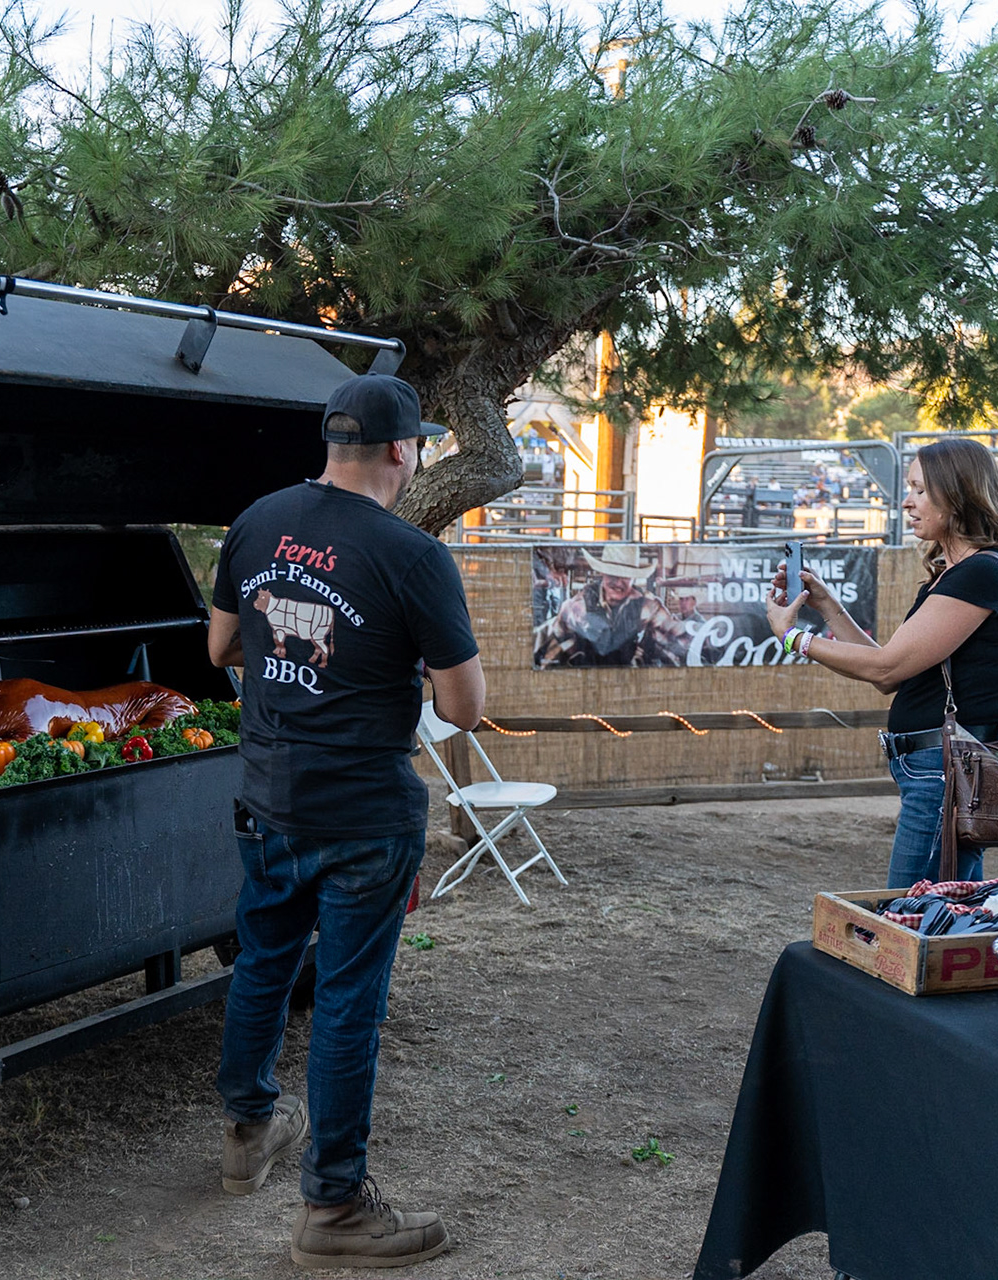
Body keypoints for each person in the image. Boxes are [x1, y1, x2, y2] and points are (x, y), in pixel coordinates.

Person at [207, 371, 483, 1269]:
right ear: (403, 450)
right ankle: (331, 1209)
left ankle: (248, 1133)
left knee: (263, 962)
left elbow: (219, 647)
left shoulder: (256, 522)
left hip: (268, 799)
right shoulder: (413, 556)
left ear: (333, 445)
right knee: (347, 1004)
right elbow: (465, 708)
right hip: (364, 814)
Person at [764, 438, 998, 888]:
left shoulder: (980, 573)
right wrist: (828, 607)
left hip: (944, 772)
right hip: (941, 767)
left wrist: (792, 638)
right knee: (946, 908)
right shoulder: (960, 573)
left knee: (907, 910)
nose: (907, 502)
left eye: (921, 490)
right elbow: (890, 674)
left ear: (959, 495)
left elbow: (885, 668)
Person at [532, 544, 692, 667]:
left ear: (634, 578)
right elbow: (554, 642)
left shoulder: (649, 606)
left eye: (625, 576)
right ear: (602, 573)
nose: (618, 582)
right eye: (612, 574)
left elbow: (680, 639)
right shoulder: (576, 607)